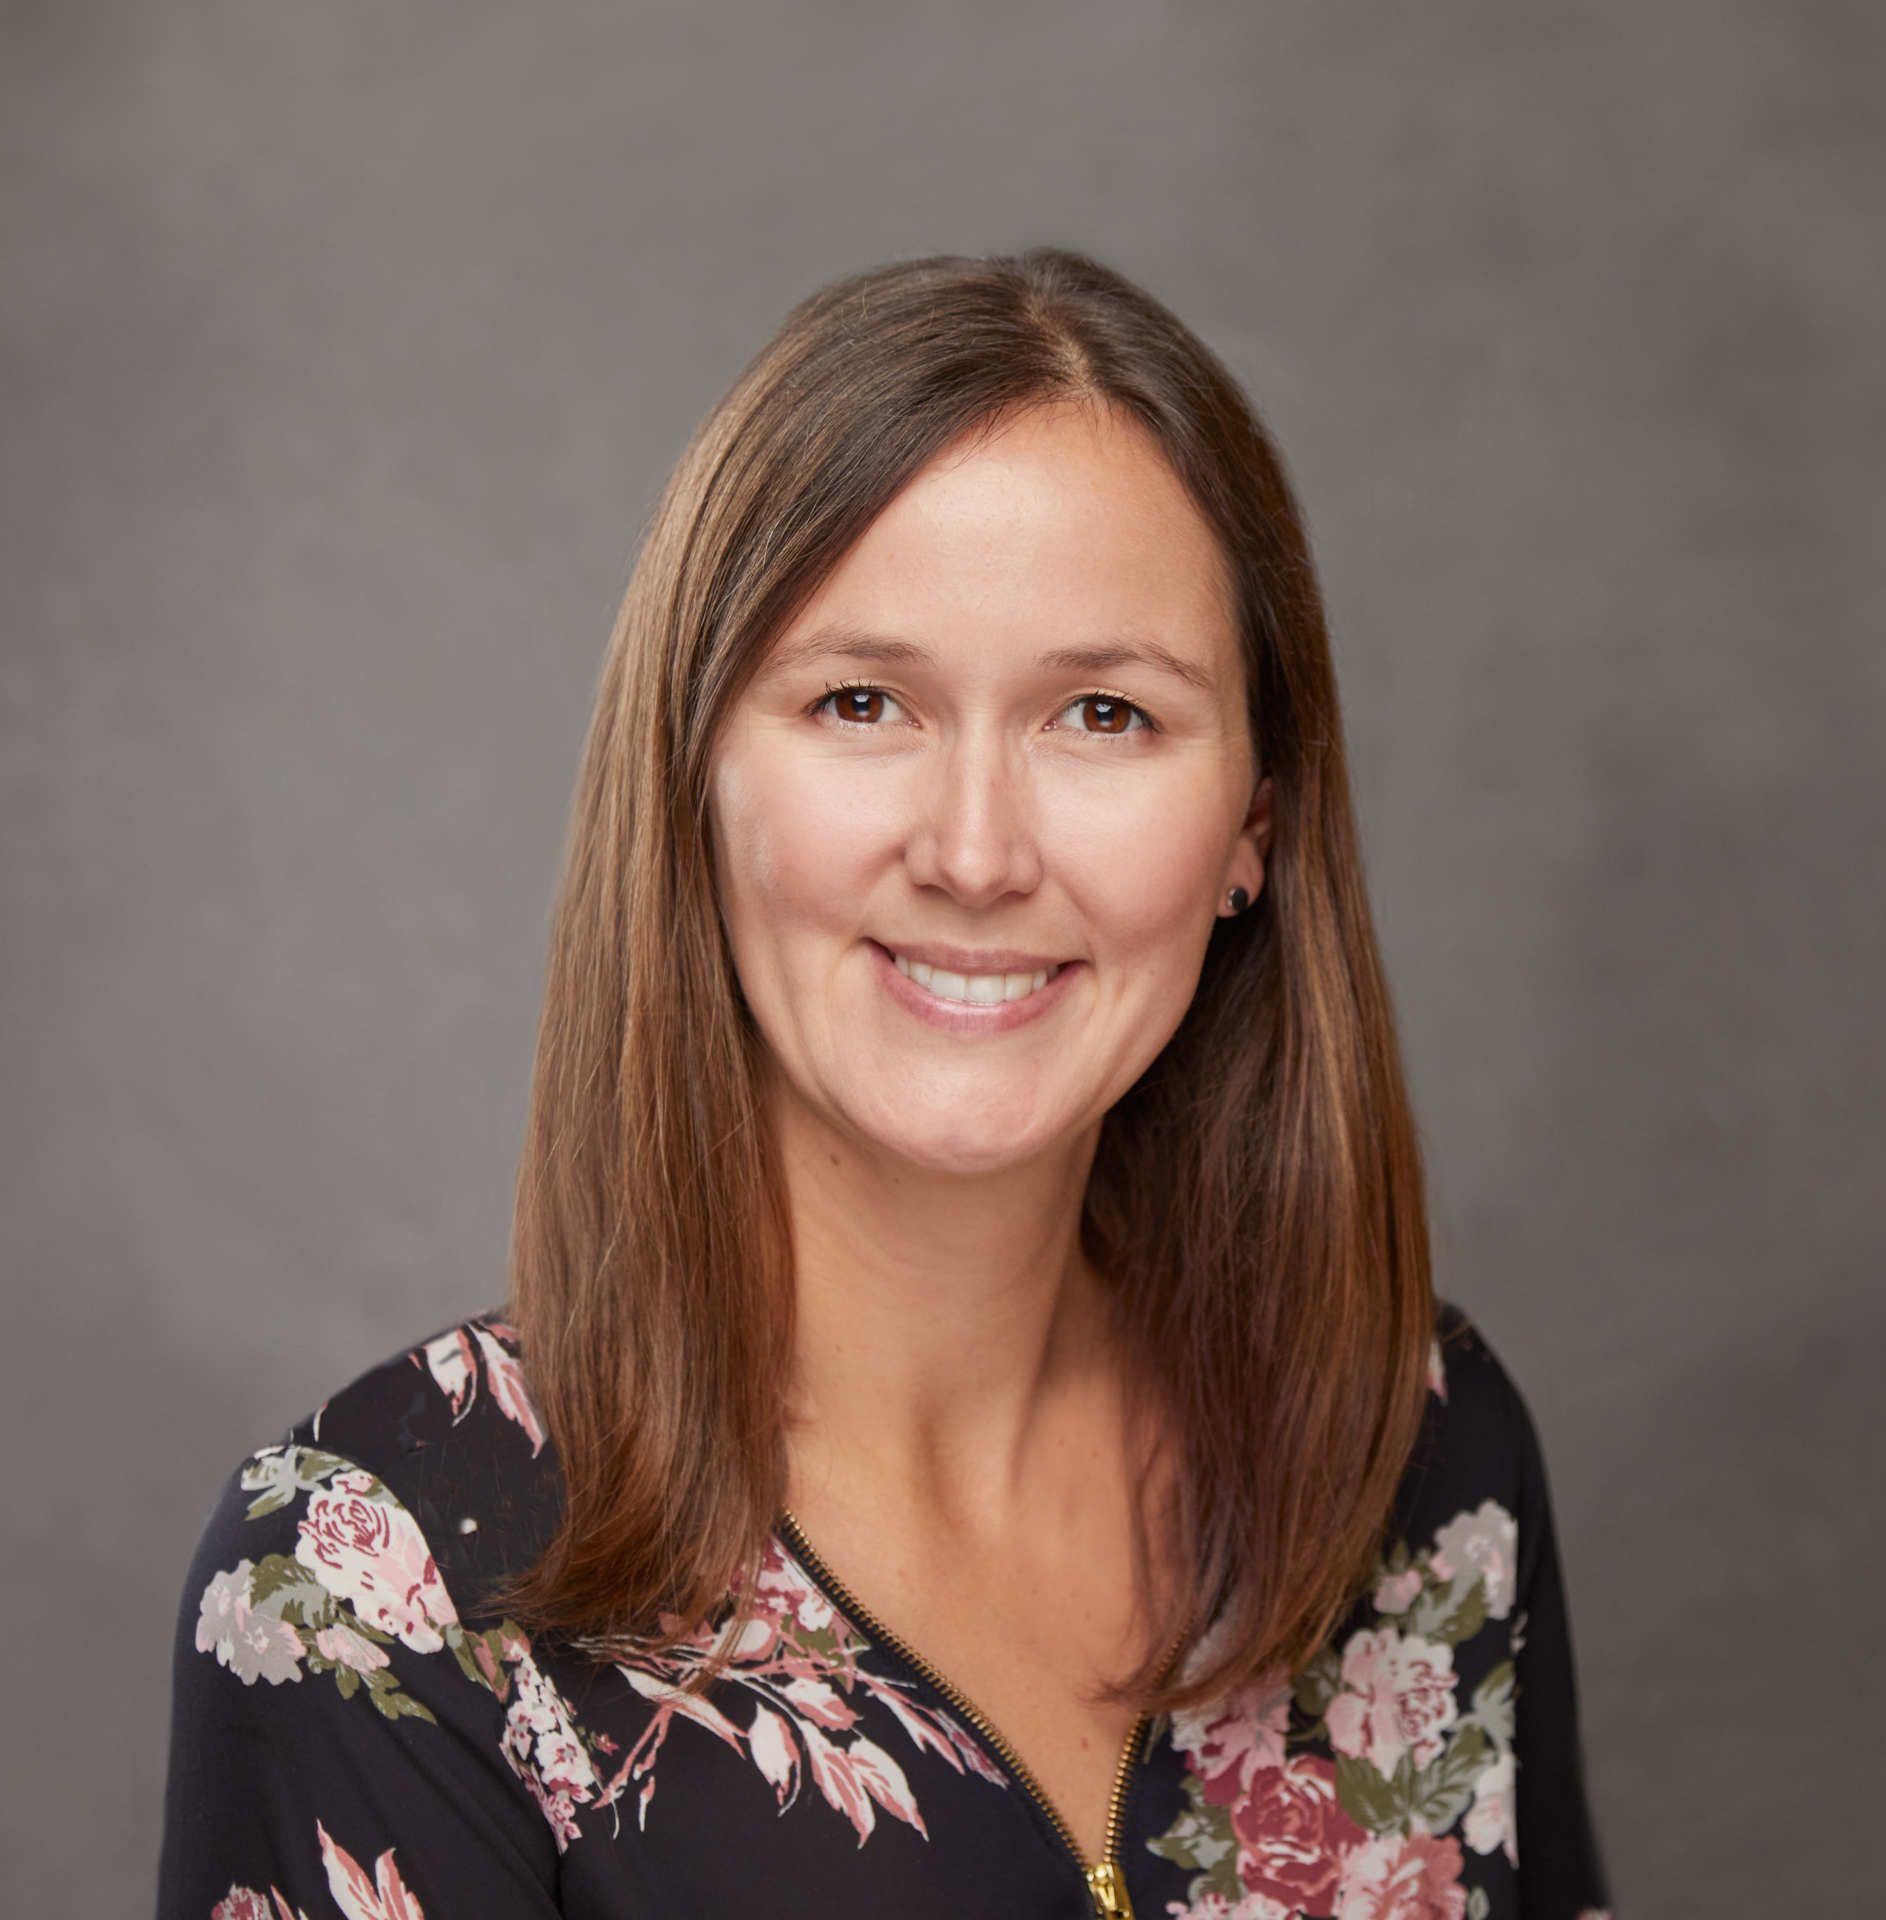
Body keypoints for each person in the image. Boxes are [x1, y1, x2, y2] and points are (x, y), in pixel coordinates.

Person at [157, 247, 1616, 1920]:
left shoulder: (1411, 1444)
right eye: (863, 702)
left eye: (1105, 714)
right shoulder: (373, 1593)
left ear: (1252, 837)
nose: (978, 853)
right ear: (692, 786)